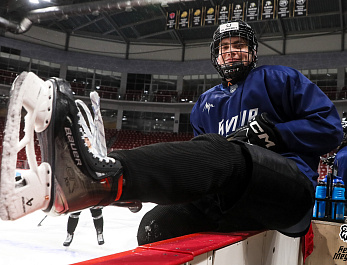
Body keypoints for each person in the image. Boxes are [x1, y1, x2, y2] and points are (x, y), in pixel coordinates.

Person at [0, 20, 343, 247]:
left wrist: (276, 135)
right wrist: (150, 188)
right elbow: (202, 170)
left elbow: (330, 128)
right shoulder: (205, 104)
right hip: (234, 199)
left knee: (223, 151)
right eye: (224, 47)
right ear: (216, 57)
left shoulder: (279, 78)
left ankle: (104, 176)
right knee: (156, 225)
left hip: (288, 190)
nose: (231, 51)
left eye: (238, 44)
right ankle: (115, 185)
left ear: (251, 52)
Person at [63, 137, 105, 247]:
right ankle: (69, 235)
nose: (86, 142)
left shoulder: (96, 154)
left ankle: (99, 234)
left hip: (93, 188)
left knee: (97, 213)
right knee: (74, 213)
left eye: (87, 140)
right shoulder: (77, 154)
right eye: (84, 140)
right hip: (80, 188)